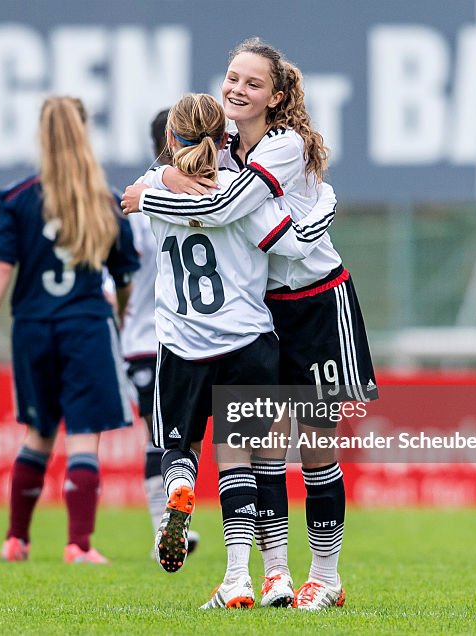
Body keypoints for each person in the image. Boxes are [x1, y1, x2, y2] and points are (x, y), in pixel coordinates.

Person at [123, 37, 378, 610]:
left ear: (277, 95)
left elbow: (222, 208)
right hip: (264, 310)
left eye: (253, 82)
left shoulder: (284, 145)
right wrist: (164, 183)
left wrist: (155, 190)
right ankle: (270, 577)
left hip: (315, 302)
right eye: (233, 78)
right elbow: (188, 189)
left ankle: (326, 577)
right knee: (262, 449)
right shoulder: (225, 144)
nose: (237, 88)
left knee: (314, 449)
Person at [141, 92, 337, 610]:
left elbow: (142, 190)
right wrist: (326, 201)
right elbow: (293, 245)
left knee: (178, 449)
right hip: (247, 340)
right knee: (243, 463)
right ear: (225, 138)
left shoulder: (153, 191)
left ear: (169, 139)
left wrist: (160, 179)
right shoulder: (242, 193)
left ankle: (186, 499)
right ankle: (251, 577)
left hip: (182, 343)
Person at [0, 96, 140, 565]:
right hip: (86, 327)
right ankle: (78, 545)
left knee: (38, 433)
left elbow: (0, 268)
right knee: (83, 435)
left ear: (41, 135)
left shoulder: (16, 198)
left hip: (33, 329)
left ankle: (16, 539)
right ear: (83, 133)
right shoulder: (104, 200)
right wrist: (118, 317)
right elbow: (125, 275)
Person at [120, 108, 200, 558]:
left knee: (163, 435)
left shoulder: (134, 201)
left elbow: (118, 277)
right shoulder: (220, 190)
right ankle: (171, 531)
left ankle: (166, 529)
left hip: (146, 339)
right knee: (224, 441)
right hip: (199, 337)